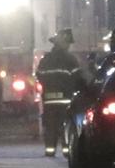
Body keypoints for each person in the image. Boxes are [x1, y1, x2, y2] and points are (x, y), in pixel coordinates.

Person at [35, 28, 84, 157]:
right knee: (65, 126)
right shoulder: (71, 59)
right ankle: (67, 151)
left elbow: (39, 75)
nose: (69, 46)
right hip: (65, 100)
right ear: (64, 43)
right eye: (68, 43)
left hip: (49, 100)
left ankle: (50, 151)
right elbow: (78, 78)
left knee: (50, 126)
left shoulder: (46, 59)